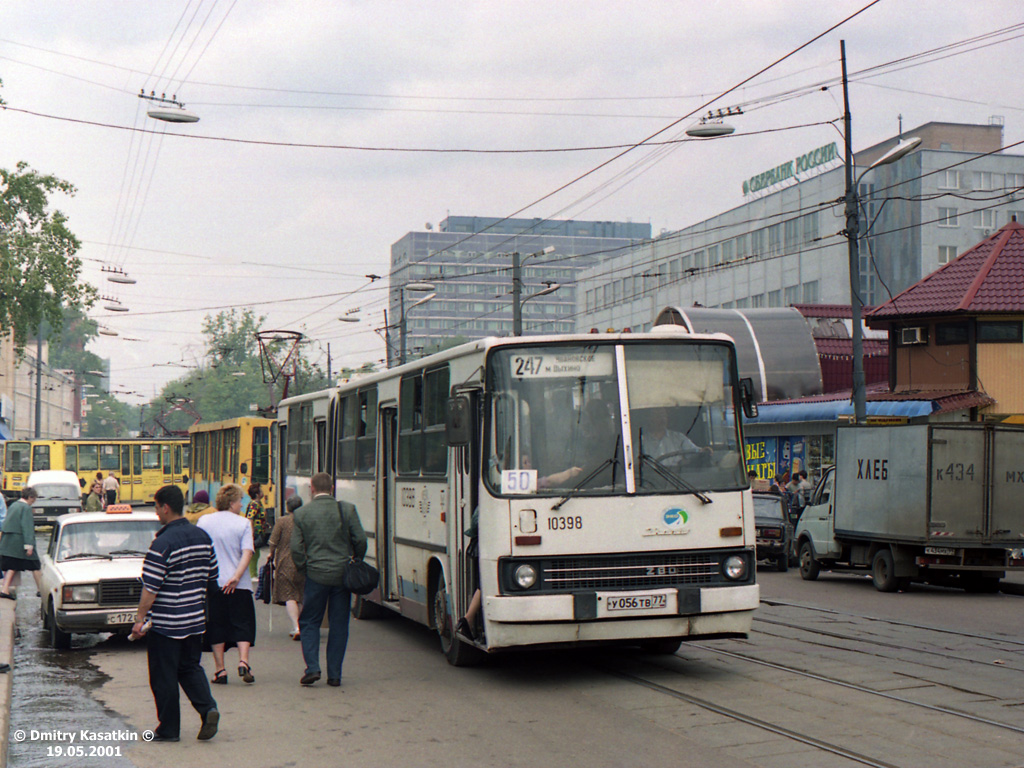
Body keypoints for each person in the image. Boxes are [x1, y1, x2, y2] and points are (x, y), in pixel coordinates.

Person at [132, 484, 220, 743]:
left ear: (165, 507)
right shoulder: (203, 537)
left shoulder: (162, 543)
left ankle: (168, 729)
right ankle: (208, 708)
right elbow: (212, 579)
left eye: (157, 507)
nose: (157, 513)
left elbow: (151, 588)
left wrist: (139, 620)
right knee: (190, 668)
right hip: (194, 620)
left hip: (166, 624)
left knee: (163, 676)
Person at [291, 472, 367, 687]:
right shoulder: (347, 509)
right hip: (342, 575)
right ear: (332, 488)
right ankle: (335, 675)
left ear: (312, 488)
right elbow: (360, 539)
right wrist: (356, 560)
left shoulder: (302, 513)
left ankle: (313, 668)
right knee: (339, 623)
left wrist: (305, 567)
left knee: (309, 621)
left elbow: (296, 548)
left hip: (315, 575)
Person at [197, 484, 256, 685]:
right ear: (232, 503)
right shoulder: (244, 523)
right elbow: (247, 552)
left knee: (217, 626)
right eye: (240, 501)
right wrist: (237, 577)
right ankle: (243, 661)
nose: (241, 504)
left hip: (214, 583)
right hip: (239, 585)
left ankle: (220, 670)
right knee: (243, 624)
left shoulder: (204, 521)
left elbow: (201, 550)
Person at [267, 495, 305, 640]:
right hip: (303, 562)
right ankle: (303, 625)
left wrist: (270, 554)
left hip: (285, 562)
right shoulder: (305, 521)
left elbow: (273, 541)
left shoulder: (282, 521)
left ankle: (296, 626)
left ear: (288, 507)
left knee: (290, 595)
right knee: (301, 594)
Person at [0, 487, 43, 600]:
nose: (33, 502)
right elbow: (27, 527)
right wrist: (29, 545)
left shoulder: (14, 505)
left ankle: (5, 589)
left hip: (9, 540)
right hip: (20, 541)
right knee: (35, 565)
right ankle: (41, 589)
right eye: (33, 499)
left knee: (12, 565)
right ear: (30, 497)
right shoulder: (26, 508)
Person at [244, 483, 268, 580]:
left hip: (259, 531)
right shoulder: (254, 504)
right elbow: (250, 518)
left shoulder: (258, 504)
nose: (263, 492)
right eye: (261, 491)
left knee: (256, 553)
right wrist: (251, 533)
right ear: (257, 494)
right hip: (255, 532)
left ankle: (253, 573)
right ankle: (252, 574)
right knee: (254, 553)